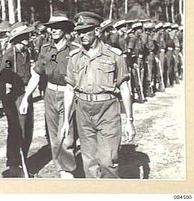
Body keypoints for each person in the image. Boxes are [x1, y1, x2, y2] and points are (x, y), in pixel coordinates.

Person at [61, 11, 136, 178]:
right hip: (83, 112)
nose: (82, 36)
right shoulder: (74, 58)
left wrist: (129, 121)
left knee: (108, 160)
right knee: (89, 162)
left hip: (108, 111)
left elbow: (124, 89)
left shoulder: (115, 56)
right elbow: (69, 89)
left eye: (86, 31)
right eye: (79, 32)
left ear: (97, 31)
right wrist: (66, 120)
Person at [19, 10, 80, 178]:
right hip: (50, 93)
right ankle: (61, 168)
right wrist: (25, 97)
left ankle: (68, 169)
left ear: (65, 29)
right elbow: (37, 75)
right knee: (53, 134)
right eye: (51, 27)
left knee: (66, 133)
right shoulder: (46, 49)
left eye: (57, 27)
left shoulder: (75, 50)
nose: (52, 30)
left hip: (69, 94)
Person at [0, 22, 34, 177]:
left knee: (28, 129)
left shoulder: (26, 52)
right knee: (16, 130)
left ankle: (22, 160)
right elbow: (1, 78)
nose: (28, 38)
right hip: (15, 96)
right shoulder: (9, 55)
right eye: (25, 36)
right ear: (18, 38)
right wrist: (4, 101)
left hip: (27, 94)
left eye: (28, 35)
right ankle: (14, 163)